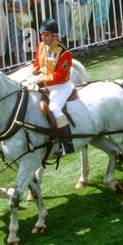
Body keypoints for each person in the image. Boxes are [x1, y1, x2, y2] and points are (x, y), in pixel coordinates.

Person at [30, 18, 75, 155]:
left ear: (54, 35)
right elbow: (37, 64)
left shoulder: (64, 52)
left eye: (47, 35)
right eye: (42, 34)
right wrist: (35, 71)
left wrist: (40, 80)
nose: (43, 37)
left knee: (54, 108)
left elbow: (60, 77)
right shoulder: (40, 46)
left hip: (61, 86)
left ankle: (68, 144)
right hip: (45, 84)